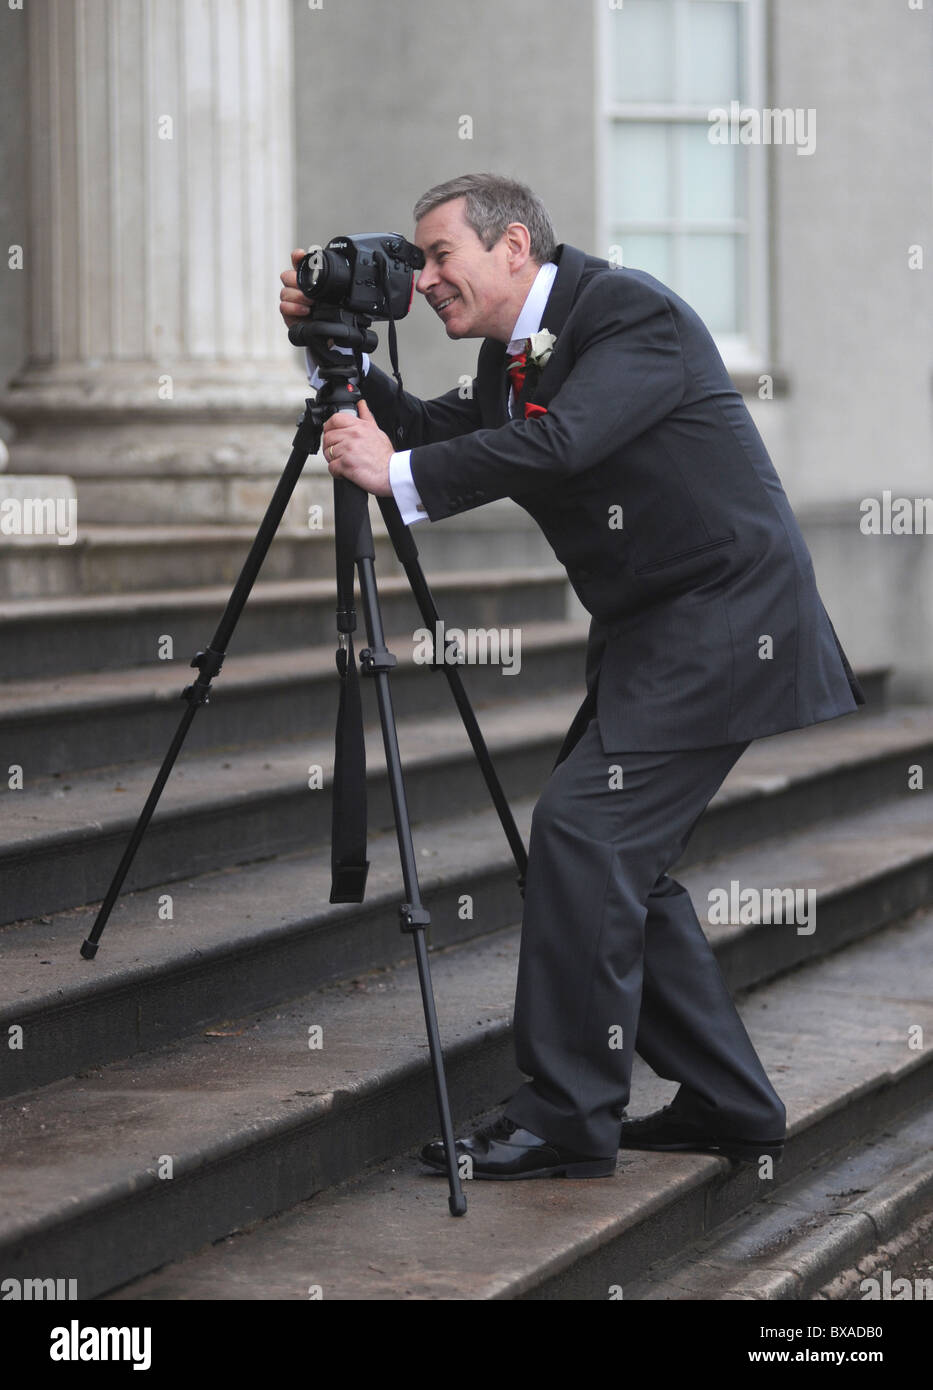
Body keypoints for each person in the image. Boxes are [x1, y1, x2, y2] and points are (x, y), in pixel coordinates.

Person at [279, 173, 864, 1181]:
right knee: (618, 855)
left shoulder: (631, 315)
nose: (422, 281)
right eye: (414, 263)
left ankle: (567, 1113)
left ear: (514, 249)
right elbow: (432, 432)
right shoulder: (518, 358)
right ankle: (727, 1098)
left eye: (438, 257)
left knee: (584, 833)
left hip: (724, 622)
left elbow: (563, 440)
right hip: (658, 631)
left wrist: (394, 476)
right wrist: (337, 351)